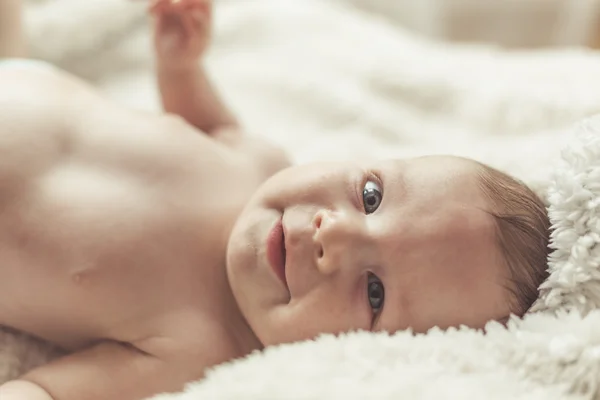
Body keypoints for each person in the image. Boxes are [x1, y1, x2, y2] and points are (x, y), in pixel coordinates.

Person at [0, 0, 550, 399]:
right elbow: (208, 128)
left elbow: (49, 389)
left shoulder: (198, 348)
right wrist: (181, 65)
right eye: (371, 195)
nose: (334, 234)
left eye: (375, 293)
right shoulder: (262, 162)